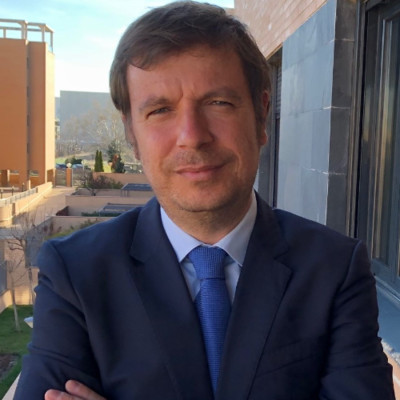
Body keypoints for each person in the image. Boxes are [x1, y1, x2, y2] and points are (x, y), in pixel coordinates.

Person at [14, 1, 395, 399]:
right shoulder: (76, 272)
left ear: (261, 116)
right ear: (132, 135)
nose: (192, 136)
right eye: (161, 110)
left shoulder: (334, 268)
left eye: (218, 103)